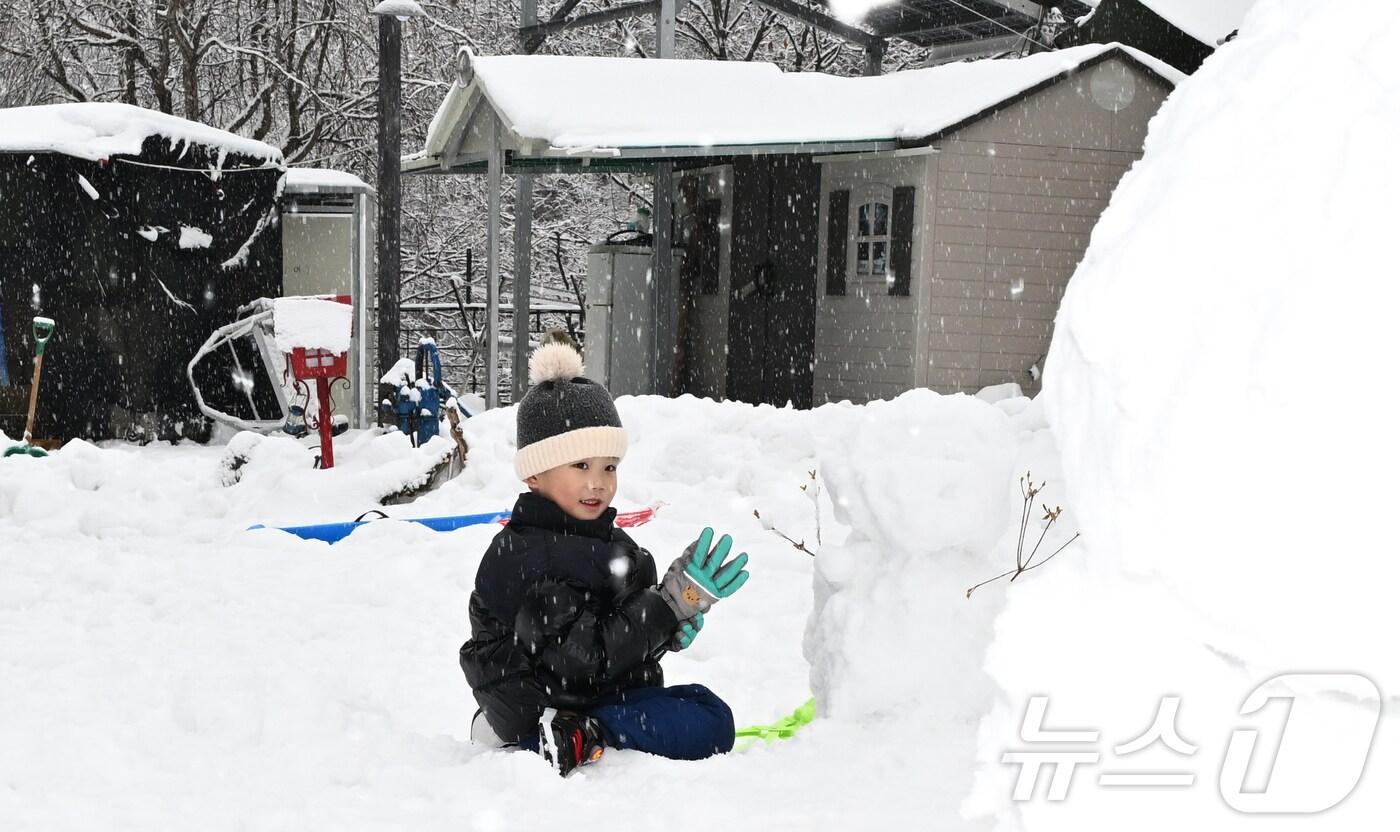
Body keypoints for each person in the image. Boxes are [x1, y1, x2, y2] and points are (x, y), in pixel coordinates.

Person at [459, 342, 750, 776]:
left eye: (609, 467)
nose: (598, 482)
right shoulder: (532, 556)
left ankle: (568, 728)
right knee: (713, 723)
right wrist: (663, 609)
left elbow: (608, 639)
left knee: (700, 703)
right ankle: (576, 733)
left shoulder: (599, 542)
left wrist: (666, 630)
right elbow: (580, 665)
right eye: (581, 465)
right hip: (550, 699)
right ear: (535, 472)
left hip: (578, 693)